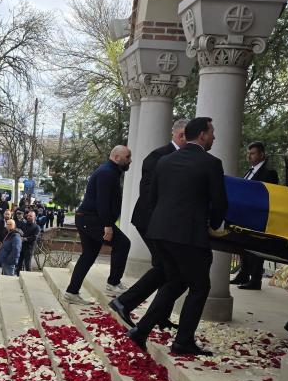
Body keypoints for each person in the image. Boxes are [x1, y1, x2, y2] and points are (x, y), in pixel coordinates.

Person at [127, 117, 227, 357]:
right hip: (189, 236)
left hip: (160, 233)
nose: (215, 137)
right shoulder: (211, 163)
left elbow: (152, 199)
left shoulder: (165, 161)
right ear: (202, 135)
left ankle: (141, 330)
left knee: (175, 282)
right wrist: (213, 226)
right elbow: (220, 203)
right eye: (212, 133)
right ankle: (183, 341)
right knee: (200, 286)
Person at [110, 120, 187, 330]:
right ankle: (125, 302)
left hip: (161, 223)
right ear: (182, 136)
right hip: (151, 221)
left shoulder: (175, 156)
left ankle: (157, 314)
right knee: (166, 267)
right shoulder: (159, 156)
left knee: (167, 267)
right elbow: (149, 192)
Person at [62, 145, 133, 303]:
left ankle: (71, 292)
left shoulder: (110, 171)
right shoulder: (107, 173)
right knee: (123, 244)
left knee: (88, 255)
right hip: (92, 219)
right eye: (127, 157)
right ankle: (113, 283)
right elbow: (102, 202)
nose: (130, 160)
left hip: (87, 218)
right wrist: (108, 225)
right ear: (116, 157)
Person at [230, 141, 280, 291]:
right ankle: (244, 273)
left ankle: (256, 278)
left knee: (256, 247)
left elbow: (269, 194)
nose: (249, 156)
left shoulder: (269, 172)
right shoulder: (250, 171)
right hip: (245, 215)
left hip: (258, 217)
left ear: (261, 155)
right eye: (248, 153)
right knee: (243, 246)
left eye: (252, 153)